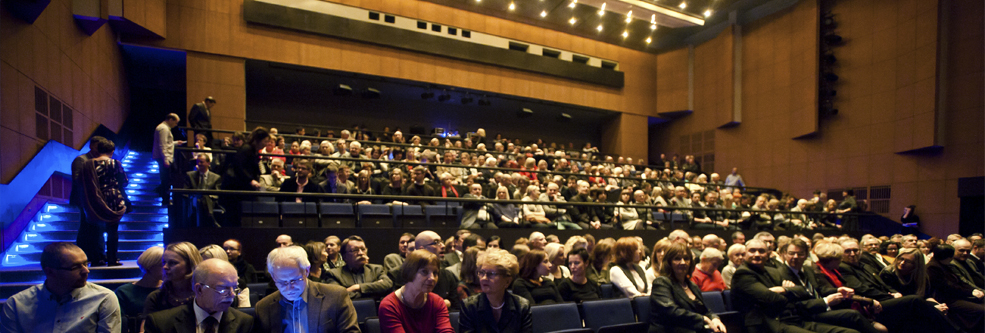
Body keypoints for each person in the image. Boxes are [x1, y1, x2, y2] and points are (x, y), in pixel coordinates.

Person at [1, 242, 121, 333]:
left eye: (85, 263)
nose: (86, 271)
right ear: (50, 272)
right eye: (75, 267)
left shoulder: (103, 298)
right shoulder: (16, 304)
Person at [254, 246, 359, 333]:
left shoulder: (335, 296)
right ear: (273, 277)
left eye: (295, 280)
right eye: (282, 282)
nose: (289, 288)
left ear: (307, 271)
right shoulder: (263, 307)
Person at [144, 259, 254, 333]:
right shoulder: (161, 323)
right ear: (199, 289)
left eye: (234, 288)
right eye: (222, 288)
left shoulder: (245, 323)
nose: (231, 295)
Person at [649, 243, 726, 333]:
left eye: (686, 258)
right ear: (669, 262)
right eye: (677, 259)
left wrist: (715, 318)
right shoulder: (661, 282)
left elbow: (704, 310)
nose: (683, 262)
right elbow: (670, 311)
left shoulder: (691, 285)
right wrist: (702, 319)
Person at [77, 138, 129, 266]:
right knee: (113, 231)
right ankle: (112, 259)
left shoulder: (88, 164)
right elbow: (124, 181)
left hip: (94, 198)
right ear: (112, 151)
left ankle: (96, 259)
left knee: (95, 230)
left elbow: (81, 182)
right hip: (113, 197)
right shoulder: (115, 163)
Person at [379, 250, 456, 332]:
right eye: (424, 272)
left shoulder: (437, 302)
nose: (432, 278)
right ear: (409, 272)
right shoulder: (389, 306)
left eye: (435, 273)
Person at [459, 248, 533, 332]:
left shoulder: (522, 306)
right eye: (482, 272)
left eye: (491, 274)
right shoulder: (469, 306)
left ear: (507, 281)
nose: (484, 278)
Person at [220, 127, 271, 226]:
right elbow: (238, 166)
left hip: (242, 187)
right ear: (258, 140)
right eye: (265, 141)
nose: (266, 144)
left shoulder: (254, 151)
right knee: (234, 217)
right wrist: (250, 180)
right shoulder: (246, 149)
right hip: (235, 188)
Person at [144, 242, 204, 319]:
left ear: (190, 264)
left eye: (172, 263)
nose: (165, 267)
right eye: (164, 262)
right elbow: (145, 330)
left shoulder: (204, 295)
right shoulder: (156, 298)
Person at [323, 235, 394, 299]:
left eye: (363, 249)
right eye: (355, 250)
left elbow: (388, 284)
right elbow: (338, 296)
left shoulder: (376, 269)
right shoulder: (333, 274)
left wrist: (357, 287)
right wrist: (374, 292)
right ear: (344, 256)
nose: (361, 253)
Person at [72, 136, 105, 260]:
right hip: (84, 198)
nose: (100, 149)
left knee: (95, 228)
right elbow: (77, 179)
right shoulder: (82, 159)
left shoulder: (98, 160)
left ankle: (95, 254)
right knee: (86, 228)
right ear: (91, 146)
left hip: (94, 198)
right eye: (98, 146)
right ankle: (85, 255)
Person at [115, 246, 164, 320]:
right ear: (150, 265)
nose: (167, 267)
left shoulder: (170, 289)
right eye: (162, 264)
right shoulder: (124, 292)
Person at [153, 113, 185, 205]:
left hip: (162, 157)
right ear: (170, 120)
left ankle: (164, 197)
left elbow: (166, 143)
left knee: (166, 179)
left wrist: (175, 143)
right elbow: (162, 145)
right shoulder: (164, 129)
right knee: (166, 179)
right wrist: (166, 159)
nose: (176, 125)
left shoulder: (163, 128)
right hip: (164, 158)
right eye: (175, 122)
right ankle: (165, 199)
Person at [184, 154, 222, 228]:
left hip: (210, 201)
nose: (199, 164)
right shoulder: (190, 175)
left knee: (204, 197)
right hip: (194, 200)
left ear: (208, 163)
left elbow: (217, 193)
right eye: (198, 162)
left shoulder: (216, 177)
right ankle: (212, 219)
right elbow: (185, 191)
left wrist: (208, 196)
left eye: (201, 162)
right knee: (199, 199)